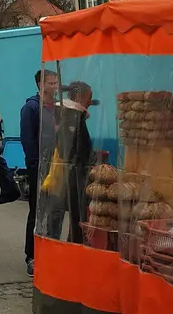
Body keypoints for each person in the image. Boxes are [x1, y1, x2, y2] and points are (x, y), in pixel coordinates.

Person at [20, 68, 62, 276]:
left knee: (55, 212)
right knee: (38, 212)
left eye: (56, 83)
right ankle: (32, 256)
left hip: (57, 166)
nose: (55, 87)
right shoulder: (31, 108)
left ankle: (52, 251)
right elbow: (28, 140)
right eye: (51, 83)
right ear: (41, 85)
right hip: (40, 167)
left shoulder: (57, 106)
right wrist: (36, 166)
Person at [54, 81, 96, 245]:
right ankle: (75, 244)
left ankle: (74, 241)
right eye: (89, 97)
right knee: (77, 212)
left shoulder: (71, 115)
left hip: (74, 171)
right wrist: (87, 160)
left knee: (77, 214)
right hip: (75, 173)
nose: (90, 101)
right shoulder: (71, 117)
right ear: (79, 97)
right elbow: (70, 149)